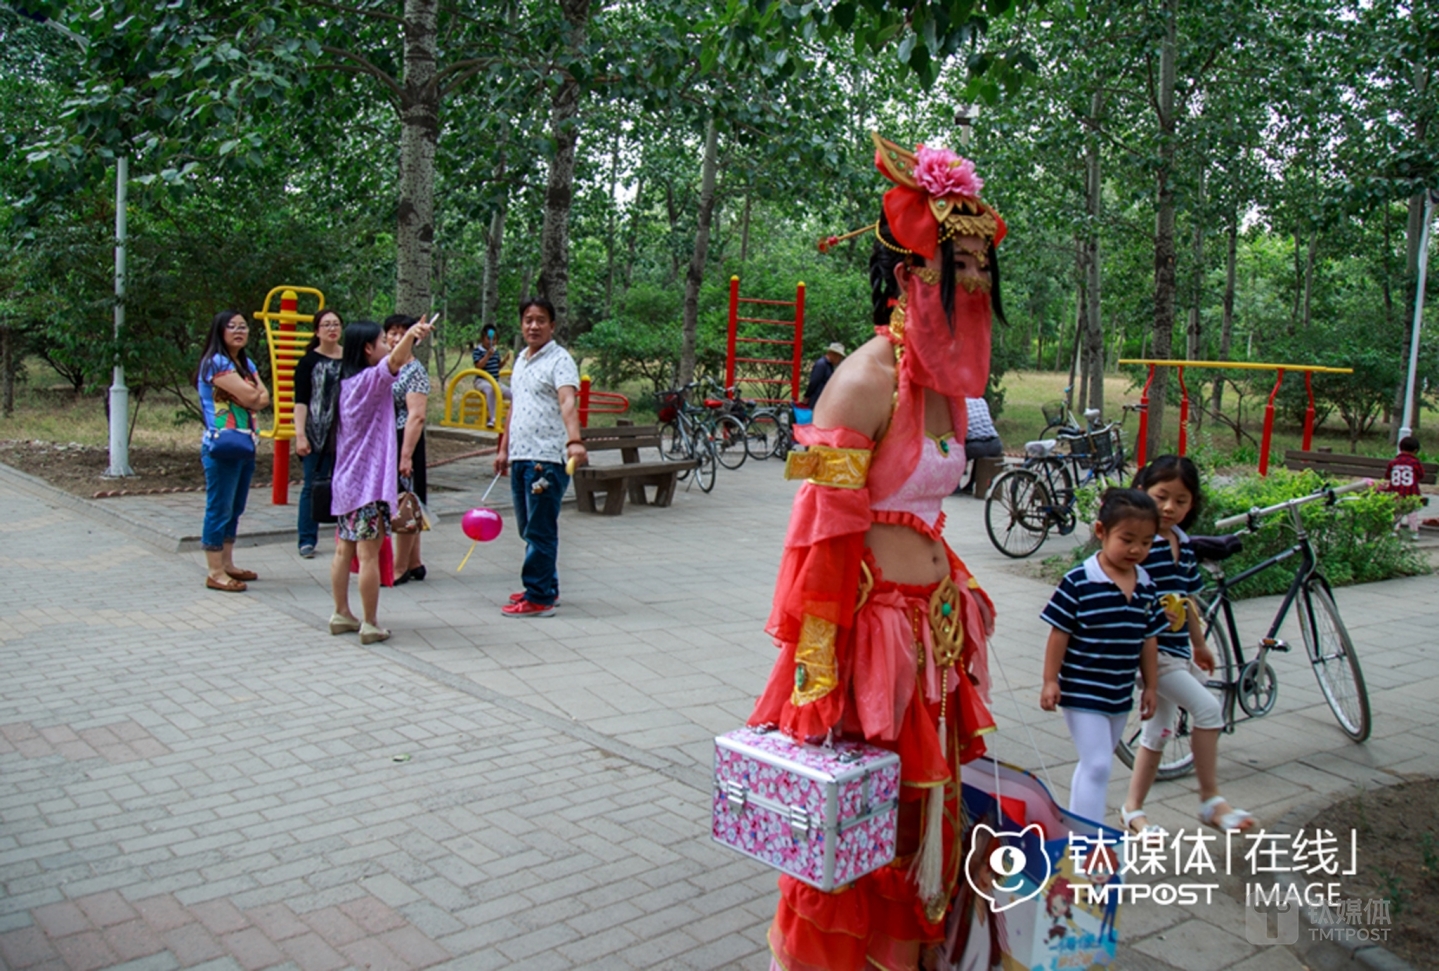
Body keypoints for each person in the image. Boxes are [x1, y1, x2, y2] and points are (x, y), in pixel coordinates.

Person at [747, 134, 1006, 971]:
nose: (972, 282)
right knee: (860, 817)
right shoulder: (862, 380)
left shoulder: (950, 391)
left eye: (978, 266)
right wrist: (813, 679)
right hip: (868, 644)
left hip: (931, 635)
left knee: (921, 814)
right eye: (953, 262)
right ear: (907, 271)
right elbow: (817, 532)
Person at [1122, 457, 1255, 834]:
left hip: (1178, 652)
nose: (1169, 508)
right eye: (1161, 496)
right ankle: (1210, 799)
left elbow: (1188, 599)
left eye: (1181, 500)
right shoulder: (1141, 544)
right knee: (1209, 709)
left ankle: (1133, 810)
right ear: (1141, 492)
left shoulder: (1183, 543)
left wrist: (1199, 644)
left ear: (1192, 504)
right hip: (1151, 655)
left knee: (1159, 730)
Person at [1039, 488, 1164, 826]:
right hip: (1082, 689)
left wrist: (1151, 686)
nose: (1137, 549)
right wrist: (1050, 680)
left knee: (1095, 764)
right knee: (1097, 765)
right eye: (1127, 539)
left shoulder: (1147, 585)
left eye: (1147, 542)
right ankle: (1088, 846)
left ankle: (1076, 830)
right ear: (1100, 532)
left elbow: (1148, 640)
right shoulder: (1079, 581)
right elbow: (1059, 633)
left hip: (1119, 693)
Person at [329, 316, 433, 644]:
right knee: (368, 554)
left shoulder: (344, 383)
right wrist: (413, 336)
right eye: (384, 340)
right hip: (367, 485)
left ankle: (341, 612)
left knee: (343, 551)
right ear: (368, 348)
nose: (389, 345)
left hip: (345, 483)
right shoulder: (370, 381)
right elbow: (397, 360)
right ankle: (370, 623)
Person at [493, 298, 586, 617]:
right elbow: (515, 406)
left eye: (541, 320)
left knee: (540, 529)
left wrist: (574, 441)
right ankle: (545, 585)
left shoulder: (560, 360)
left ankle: (539, 597)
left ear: (552, 326)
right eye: (528, 320)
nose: (534, 326)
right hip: (521, 455)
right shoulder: (521, 360)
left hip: (546, 458)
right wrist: (504, 448)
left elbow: (567, 403)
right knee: (528, 527)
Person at [197, 309, 271, 592]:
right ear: (220, 331)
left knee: (235, 507)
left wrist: (254, 397)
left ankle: (227, 563)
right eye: (233, 327)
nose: (240, 331)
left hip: (244, 443)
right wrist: (253, 396)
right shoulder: (215, 362)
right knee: (220, 506)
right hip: (223, 445)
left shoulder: (243, 362)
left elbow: (264, 397)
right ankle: (215, 571)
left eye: (244, 327)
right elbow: (254, 396)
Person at [382, 314, 430, 584]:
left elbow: (416, 416)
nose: (397, 337)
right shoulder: (386, 365)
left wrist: (406, 454)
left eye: (404, 332)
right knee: (405, 501)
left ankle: (399, 567)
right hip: (387, 437)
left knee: (405, 500)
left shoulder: (415, 370)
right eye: (392, 332)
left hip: (405, 438)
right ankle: (414, 562)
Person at [294, 308, 344, 559]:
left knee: (344, 485)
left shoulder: (350, 358)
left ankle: (344, 536)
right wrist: (300, 434)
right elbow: (301, 401)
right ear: (317, 331)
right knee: (311, 486)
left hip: (346, 435)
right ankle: (306, 539)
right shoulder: (308, 362)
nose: (332, 329)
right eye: (326, 325)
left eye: (336, 324)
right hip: (316, 433)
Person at [1382, 435, 1425, 540]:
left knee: (1396, 512)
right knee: (1412, 513)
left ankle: (1393, 530)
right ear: (1415, 451)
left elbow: (1388, 475)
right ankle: (1413, 532)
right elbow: (1421, 475)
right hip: (1411, 492)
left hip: (1395, 492)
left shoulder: (1393, 462)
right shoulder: (1415, 462)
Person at [471, 323, 511, 423]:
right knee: (490, 390)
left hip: (495, 381)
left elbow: (497, 367)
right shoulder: (477, 351)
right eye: (489, 339)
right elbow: (478, 366)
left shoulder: (495, 352)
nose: (491, 342)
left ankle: (511, 419)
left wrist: (504, 361)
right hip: (482, 381)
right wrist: (487, 355)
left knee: (512, 394)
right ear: (482, 338)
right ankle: (492, 418)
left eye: (494, 339)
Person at [801, 341, 845, 407]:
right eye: (839, 357)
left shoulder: (828, 366)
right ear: (833, 354)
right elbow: (814, 382)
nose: (840, 360)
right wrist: (807, 396)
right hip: (816, 400)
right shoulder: (821, 364)